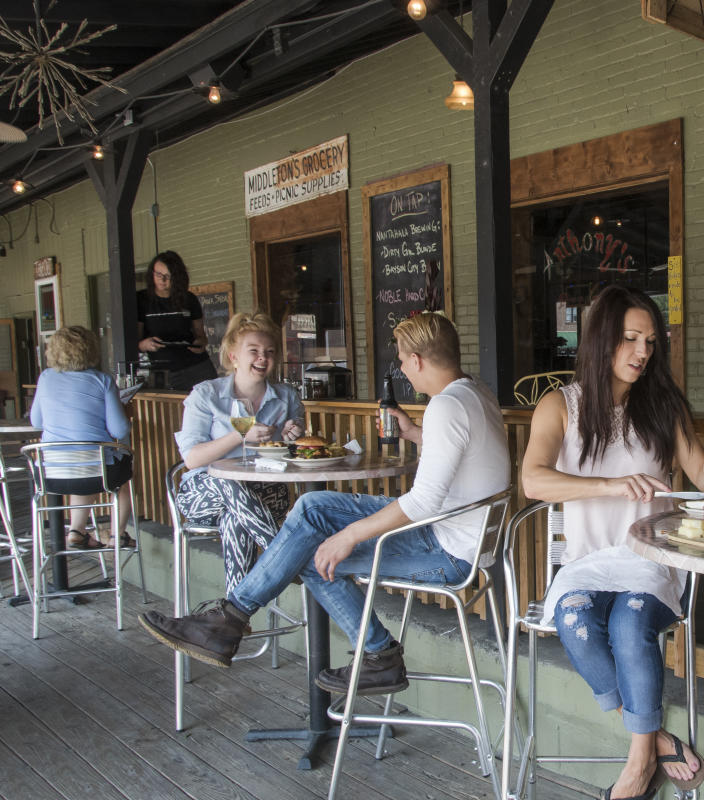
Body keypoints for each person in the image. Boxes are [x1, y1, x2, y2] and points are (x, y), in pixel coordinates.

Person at [140, 312, 509, 695]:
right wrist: (414, 432)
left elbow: (424, 500)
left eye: (401, 360)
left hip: (445, 550)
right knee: (312, 507)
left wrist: (348, 536)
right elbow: (459, 460)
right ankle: (228, 619)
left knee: (316, 556)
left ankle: (377, 654)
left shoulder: (446, 407)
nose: (402, 369)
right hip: (455, 533)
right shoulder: (474, 391)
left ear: (416, 360)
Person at [521, 286, 704, 800]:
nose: (643, 352)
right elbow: (532, 481)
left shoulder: (663, 405)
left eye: (650, 341)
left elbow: (700, 477)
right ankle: (656, 739)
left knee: (629, 621)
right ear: (600, 341)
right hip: (588, 561)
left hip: (649, 561)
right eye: (631, 339)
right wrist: (611, 486)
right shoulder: (561, 407)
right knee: (574, 619)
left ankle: (638, 765)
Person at [174, 311, 304, 593]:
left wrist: (293, 438)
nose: (262, 358)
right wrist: (240, 434)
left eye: (269, 352)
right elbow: (192, 458)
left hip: (265, 492)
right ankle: (284, 557)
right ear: (233, 356)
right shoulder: (205, 395)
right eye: (254, 351)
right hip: (202, 494)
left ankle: (234, 616)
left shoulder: (287, 398)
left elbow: (295, 456)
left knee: (237, 517)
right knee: (228, 483)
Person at [30, 326, 134, 549]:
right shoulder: (102, 381)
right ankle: (118, 536)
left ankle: (76, 531)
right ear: (90, 350)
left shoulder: (46, 378)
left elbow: (36, 422)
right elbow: (119, 430)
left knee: (83, 472)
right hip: (96, 471)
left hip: (48, 474)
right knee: (122, 482)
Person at [136, 250, 217, 391]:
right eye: (158, 275)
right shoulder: (141, 299)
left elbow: (201, 334)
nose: (162, 280)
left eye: (168, 276)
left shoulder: (188, 298)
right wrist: (144, 345)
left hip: (196, 365)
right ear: (151, 274)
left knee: (213, 401)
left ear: (177, 277)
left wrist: (200, 343)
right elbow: (134, 341)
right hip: (162, 370)